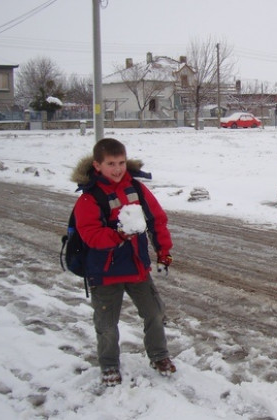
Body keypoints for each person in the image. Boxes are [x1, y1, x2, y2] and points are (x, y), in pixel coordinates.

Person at [71, 137, 175, 386]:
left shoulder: (137, 189)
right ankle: (108, 365)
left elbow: (157, 220)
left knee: (155, 312)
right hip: (104, 272)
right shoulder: (89, 198)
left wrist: (163, 251)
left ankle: (159, 356)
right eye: (110, 164)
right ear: (97, 165)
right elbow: (91, 235)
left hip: (137, 267)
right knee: (107, 324)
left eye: (121, 162)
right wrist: (119, 234)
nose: (117, 169)